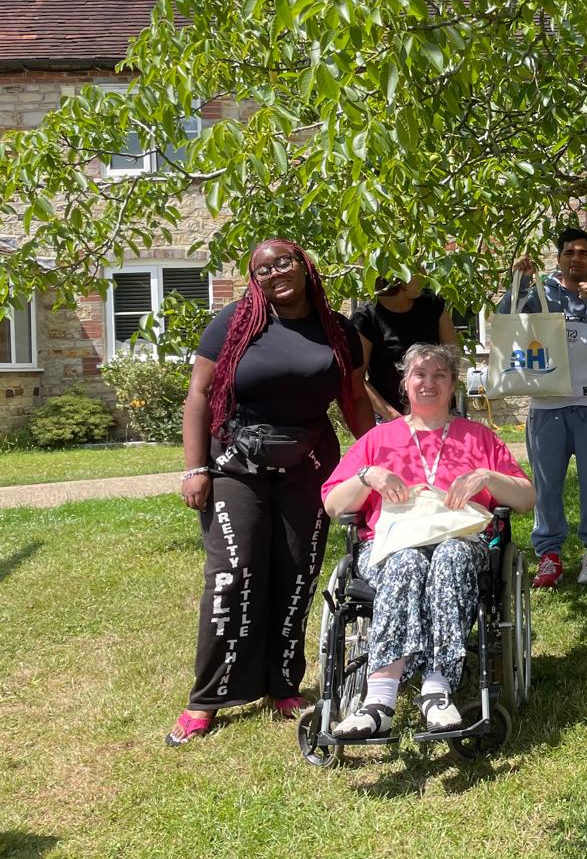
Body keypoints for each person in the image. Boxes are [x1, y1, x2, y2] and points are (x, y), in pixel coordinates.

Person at [168, 238, 375, 746]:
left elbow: (353, 399)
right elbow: (198, 394)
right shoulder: (236, 321)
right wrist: (194, 468)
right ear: (254, 279)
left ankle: (283, 683)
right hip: (235, 462)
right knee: (232, 576)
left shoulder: (337, 330)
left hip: (307, 463)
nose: (275, 272)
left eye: (284, 261)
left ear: (306, 265)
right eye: (263, 268)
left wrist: (375, 460)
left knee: (296, 572)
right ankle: (208, 697)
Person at [321, 344, 535, 735]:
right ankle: (379, 700)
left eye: (440, 375)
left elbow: (525, 498)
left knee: (451, 556)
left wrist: (487, 477)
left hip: (462, 545)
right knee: (407, 561)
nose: (429, 383)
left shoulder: (479, 439)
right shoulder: (377, 441)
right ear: (405, 383)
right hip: (390, 547)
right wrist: (368, 476)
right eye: (420, 374)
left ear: (453, 384)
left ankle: (438, 688)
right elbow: (335, 505)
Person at [505, 227, 587, 588]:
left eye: (583, 253)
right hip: (547, 405)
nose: (576, 258)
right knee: (546, 485)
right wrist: (520, 283)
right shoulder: (542, 294)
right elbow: (506, 320)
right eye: (569, 252)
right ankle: (549, 555)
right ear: (560, 258)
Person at [351, 272, 457, 420]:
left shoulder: (433, 304)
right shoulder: (366, 317)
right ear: (396, 276)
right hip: (390, 415)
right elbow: (356, 377)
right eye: (416, 272)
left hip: (439, 411)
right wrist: (393, 416)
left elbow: (453, 359)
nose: (424, 276)